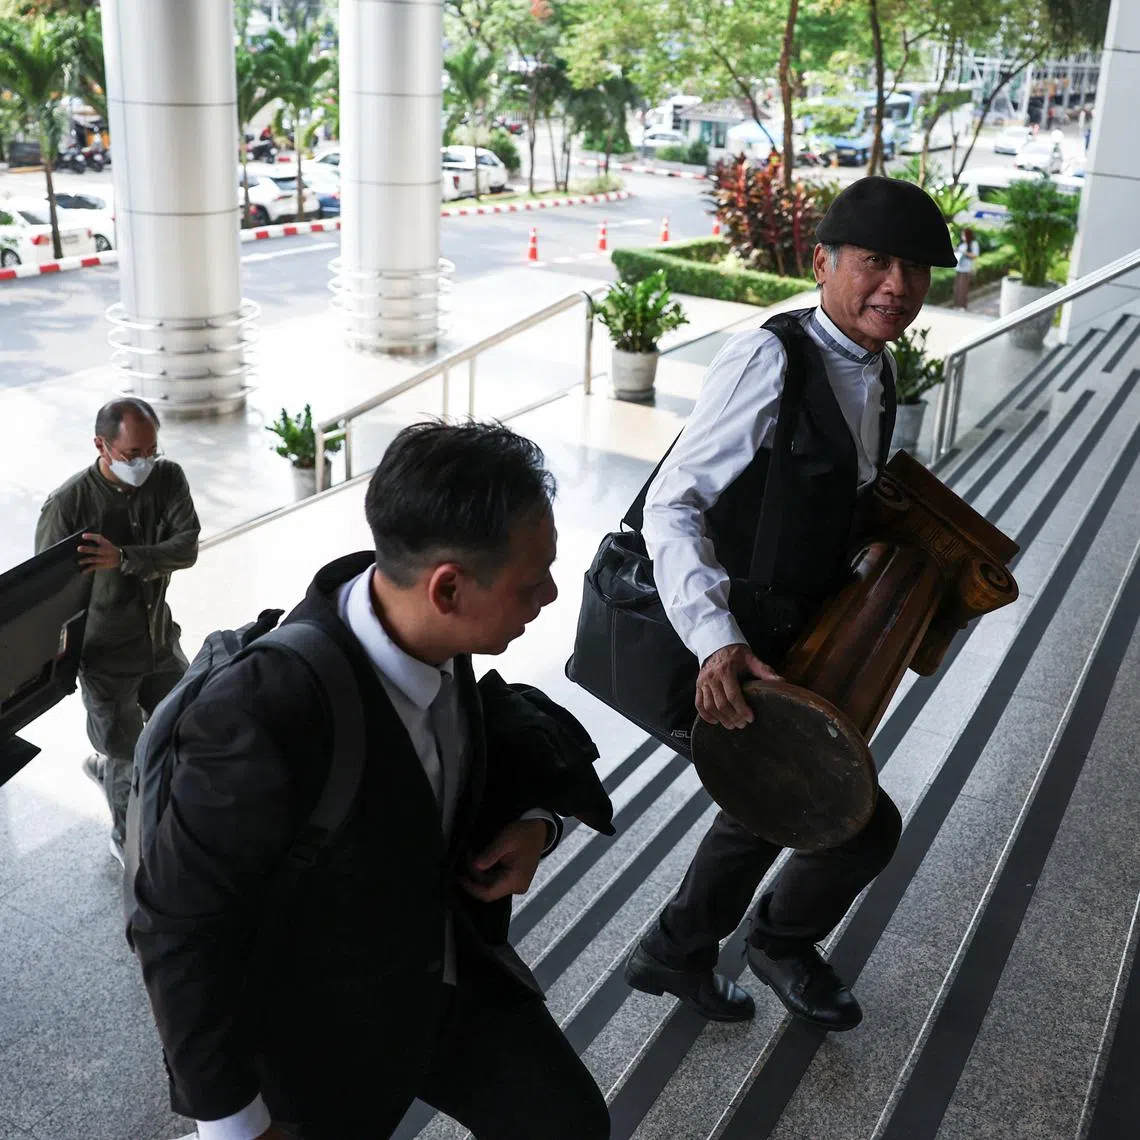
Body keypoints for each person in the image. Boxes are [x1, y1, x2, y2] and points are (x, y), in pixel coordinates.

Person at [130, 422, 611, 1140]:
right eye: (530, 579)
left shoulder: (429, 628)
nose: (547, 594)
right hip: (321, 1032)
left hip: (441, 978)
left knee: (566, 1124)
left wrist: (538, 822)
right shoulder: (265, 714)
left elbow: (500, 733)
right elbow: (179, 927)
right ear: (447, 586)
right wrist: (235, 1124)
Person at [623, 177, 957, 1030]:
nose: (896, 286)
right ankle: (774, 941)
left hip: (801, 633)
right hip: (734, 639)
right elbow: (672, 503)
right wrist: (713, 641)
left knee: (768, 803)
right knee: (856, 821)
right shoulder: (769, 357)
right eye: (875, 262)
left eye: (914, 269)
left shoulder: (876, 370)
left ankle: (679, 949)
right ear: (822, 264)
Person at [35, 397, 198, 866]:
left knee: (183, 727)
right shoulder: (68, 505)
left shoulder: (168, 478)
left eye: (151, 451)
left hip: (159, 641)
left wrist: (124, 558)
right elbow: (48, 596)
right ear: (101, 446)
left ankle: (123, 775)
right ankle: (126, 838)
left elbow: (185, 547)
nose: (144, 463)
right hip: (105, 658)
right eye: (132, 455)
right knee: (125, 753)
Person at [954, 226, 981, 310]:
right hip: (959, 268)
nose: (963, 237)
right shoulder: (962, 244)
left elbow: (975, 255)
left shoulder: (973, 244)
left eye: (964, 235)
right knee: (957, 288)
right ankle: (957, 305)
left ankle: (963, 306)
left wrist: (965, 253)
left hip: (966, 269)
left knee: (963, 288)